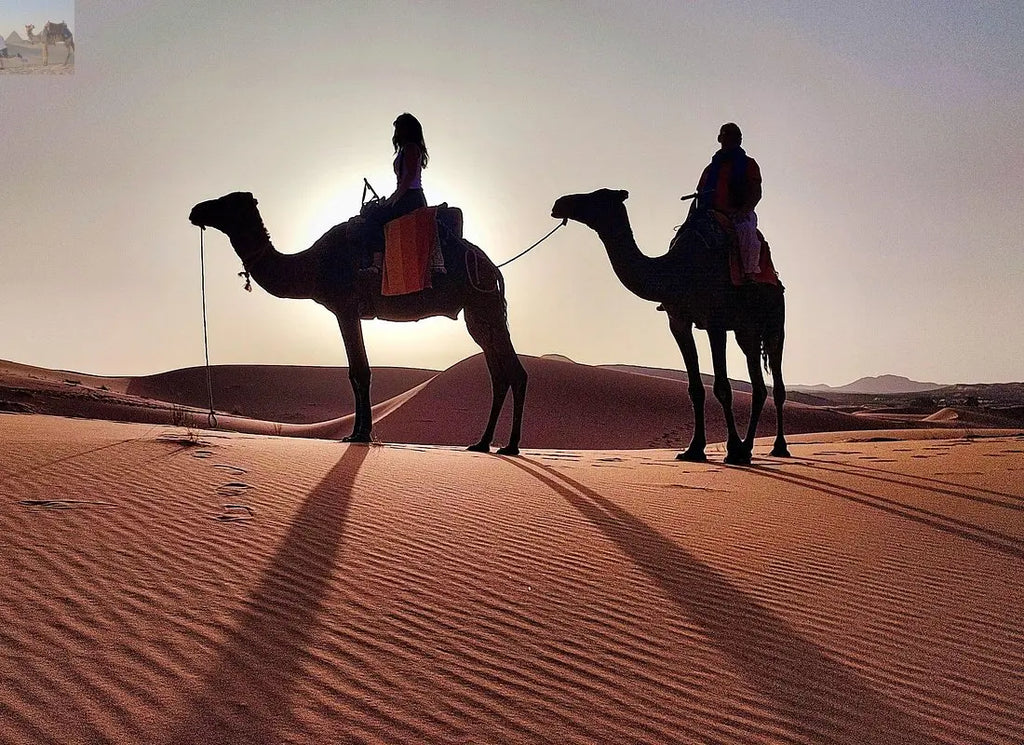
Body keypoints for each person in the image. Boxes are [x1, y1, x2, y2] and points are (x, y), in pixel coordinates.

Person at [360, 113, 430, 274]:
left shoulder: (411, 148)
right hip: (406, 195)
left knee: (374, 217)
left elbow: (409, 177)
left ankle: (376, 263)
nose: (397, 132)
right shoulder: (406, 149)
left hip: (411, 197)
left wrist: (394, 199)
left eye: (399, 127)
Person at [695, 122, 762, 280]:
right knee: (684, 236)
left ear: (740, 140)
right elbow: (700, 192)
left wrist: (744, 210)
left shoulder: (748, 164)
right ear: (720, 139)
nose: (731, 140)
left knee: (745, 230)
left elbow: (756, 192)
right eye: (727, 136)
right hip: (710, 214)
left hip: (737, 213)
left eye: (735, 137)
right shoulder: (710, 170)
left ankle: (749, 275)